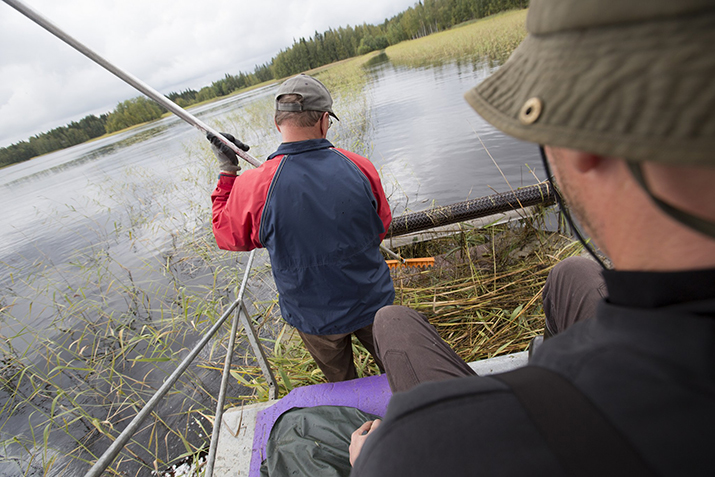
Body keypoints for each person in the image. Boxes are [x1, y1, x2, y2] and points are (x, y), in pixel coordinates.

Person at [349, 0, 715, 475]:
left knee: (392, 322)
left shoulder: (413, 450)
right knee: (572, 273)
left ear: (584, 139)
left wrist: (373, 461)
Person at [209, 74, 394, 382]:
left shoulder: (253, 185)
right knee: (397, 369)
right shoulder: (359, 166)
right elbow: (381, 228)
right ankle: (413, 413)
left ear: (276, 122)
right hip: (372, 300)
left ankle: (357, 425)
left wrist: (228, 172)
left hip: (313, 316)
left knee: (343, 387)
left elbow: (227, 236)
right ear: (324, 120)